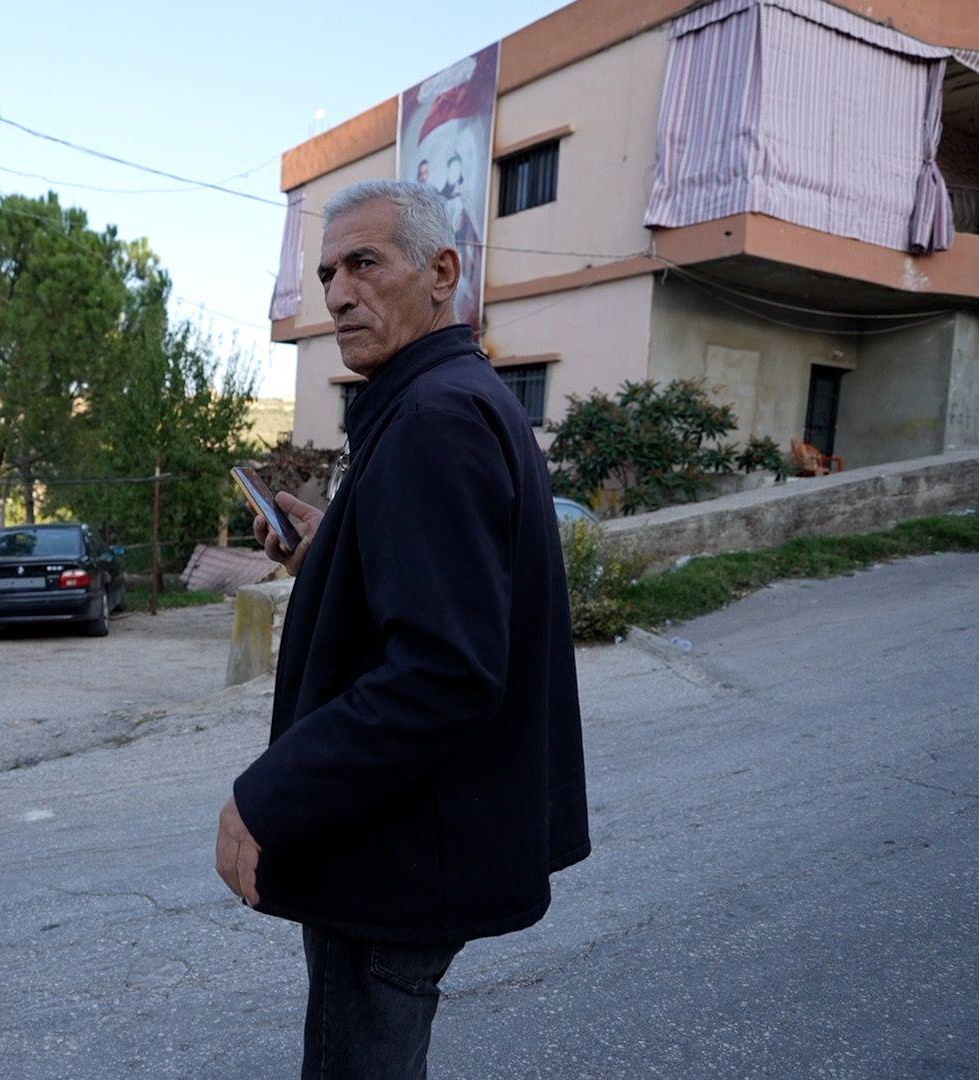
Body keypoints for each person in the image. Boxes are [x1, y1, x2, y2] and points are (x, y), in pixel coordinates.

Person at [215, 179, 589, 1078]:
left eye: (365, 264)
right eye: (327, 272)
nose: (339, 292)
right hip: (411, 841)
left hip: (395, 857)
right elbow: (432, 590)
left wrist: (266, 795)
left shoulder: (432, 419)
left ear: (441, 273)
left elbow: (443, 670)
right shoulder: (444, 397)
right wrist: (329, 546)